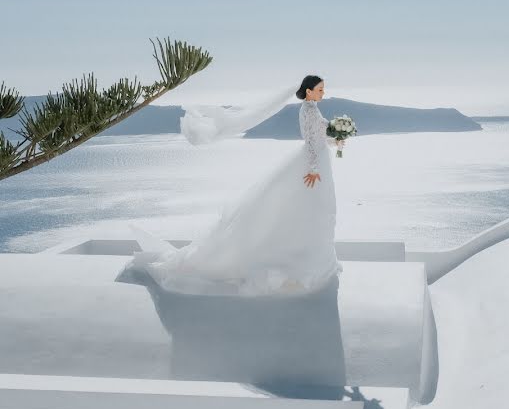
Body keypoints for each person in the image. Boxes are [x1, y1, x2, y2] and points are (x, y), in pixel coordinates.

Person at [126, 75, 345, 296]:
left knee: (317, 211)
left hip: (317, 164)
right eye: (319, 89)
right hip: (313, 167)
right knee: (313, 210)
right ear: (308, 92)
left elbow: (318, 136)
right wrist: (314, 168)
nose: (322, 93)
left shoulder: (313, 109)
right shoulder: (308, 111)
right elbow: (309, 140)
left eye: (323, 89)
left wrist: (335, 139)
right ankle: (307, 263)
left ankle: (316, 261)